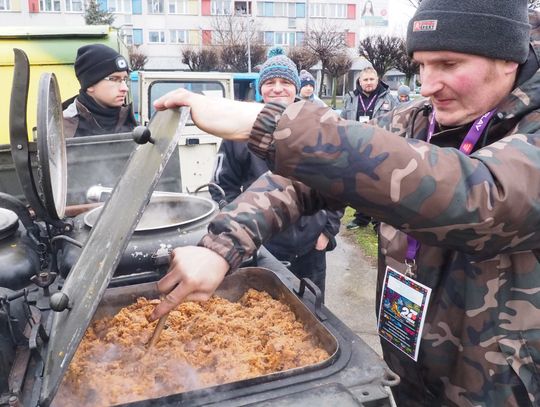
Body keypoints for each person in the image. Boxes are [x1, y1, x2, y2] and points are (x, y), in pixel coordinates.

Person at [151, 1, 539, 405]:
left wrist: (272, 124)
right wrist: (223, 245)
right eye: (422, 65)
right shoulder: (414, 120)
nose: (426, 85)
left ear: (508, 58)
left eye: (447, 64)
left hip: (502, 387)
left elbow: (479, 197)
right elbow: (304, 181)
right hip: (409, 368)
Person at [209, 47, 343, 300]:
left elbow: (340, 182)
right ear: (261, 89)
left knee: (314, 314)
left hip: (312, 249)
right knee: (266, 317)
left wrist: (327, 231)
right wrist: (241, 235)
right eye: (270, 82)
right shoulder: (239, 134)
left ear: (296, 87)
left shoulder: (320, 129)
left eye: (285, 82)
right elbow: (221, 186)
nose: (278, 88)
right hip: (263, 249)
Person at [341, 66, 397, 230]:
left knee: (380, 184)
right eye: (365, 80)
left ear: (377, 80)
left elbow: (396, 121)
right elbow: (343, 120)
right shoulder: (350, 98)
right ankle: (361, 218)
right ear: (360, 81)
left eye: (371, 79)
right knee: (360, 183)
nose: (368, 83)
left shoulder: (389, 99)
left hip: (380, 146)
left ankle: (379, 220)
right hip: (357, 146)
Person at [63, 44, 137, 138]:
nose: (125, 88)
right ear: (90, 84)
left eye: (124, 79)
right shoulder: (64, 127)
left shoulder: (130, 120)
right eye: (113, 79)